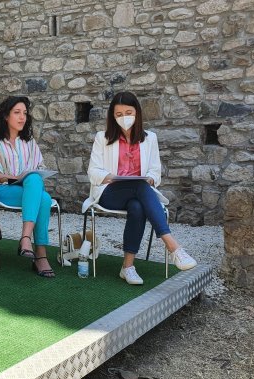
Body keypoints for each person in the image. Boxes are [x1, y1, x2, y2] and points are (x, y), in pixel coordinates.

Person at [84, 91, 197, 285]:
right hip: (109, 193)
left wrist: (150, 180)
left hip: (138, 194)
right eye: (119, 114)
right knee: (138, 185)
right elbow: (93, 171)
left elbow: (155, 172)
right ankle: (173, 247)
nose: (124, 118)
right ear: (113, 116)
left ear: (137, 114)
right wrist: (110, 177)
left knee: (137, 206)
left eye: (128, 112)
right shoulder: (102, 138)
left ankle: (127, 267)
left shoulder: (150, 138)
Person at [0, 96, 55, 278]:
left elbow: (40, 169)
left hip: (30, 190)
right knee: (41, 195)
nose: (22, 117)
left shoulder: (30, 142)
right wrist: (14, 177)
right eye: (17, 113)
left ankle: (26, 239)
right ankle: (39, 254)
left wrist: (27, 178)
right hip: (4, 190)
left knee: (40, 190)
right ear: (6, 116)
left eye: (25, 114)